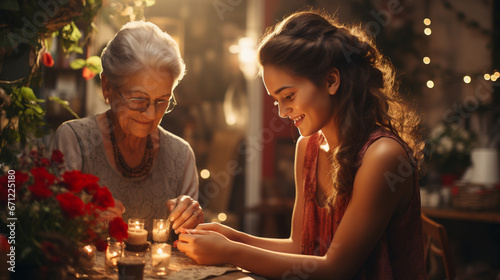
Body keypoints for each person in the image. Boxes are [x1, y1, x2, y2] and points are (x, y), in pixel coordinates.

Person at [177, 10, 426, 279]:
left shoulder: (382, 156)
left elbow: (336, 268)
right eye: (276, 100)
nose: (283, 112)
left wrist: (230, 252)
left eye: (289, 96)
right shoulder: (307, 148)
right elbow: (301, 248)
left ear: (331, 81)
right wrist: (231, 237)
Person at [52, 21, 203, 234]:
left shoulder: (181, 155)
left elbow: (189, 246)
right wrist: (82, 222)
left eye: (162, 101)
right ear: (107, 87)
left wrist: (192, 221)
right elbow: (50, 232)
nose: (151, 114)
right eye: (138, 99)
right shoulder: (74, 140)